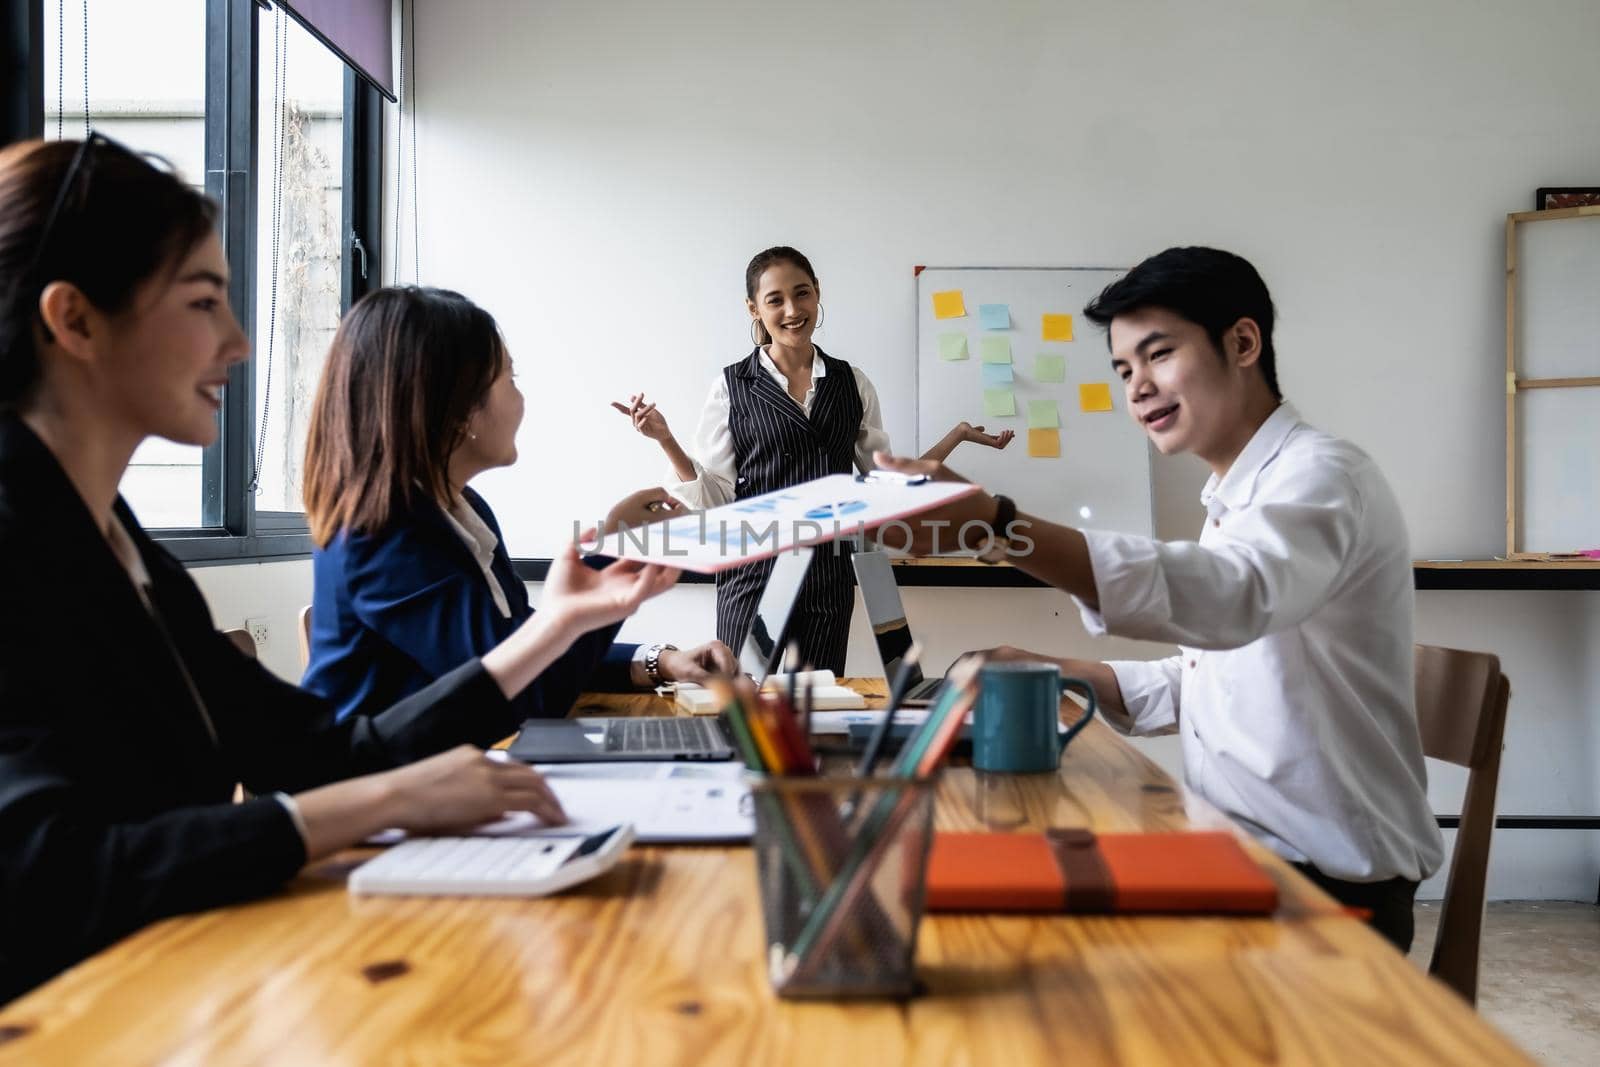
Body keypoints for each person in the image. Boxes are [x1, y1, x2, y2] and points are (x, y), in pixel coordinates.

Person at [0, 135, 678, 1004]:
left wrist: (554, 626)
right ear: (76, 320)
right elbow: (47, 873)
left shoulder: (121, 543)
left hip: (160, 985)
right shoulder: (19, 537)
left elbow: (314, 751)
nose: (240, 343)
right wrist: (382, 801)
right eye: (205, 302)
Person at [874, 246, 1443, 952]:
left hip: (1324, 886)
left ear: (1242, 342)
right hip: (1239, 850)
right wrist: (1054, 669)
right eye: (1122, 370)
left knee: (1030, 948)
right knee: (982, 889)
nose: (1138, 387)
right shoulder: (1237, 495)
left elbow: (1235, 598)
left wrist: (1000, 526)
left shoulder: (1323, 476)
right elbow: (1214, 673)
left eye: (1158, 354)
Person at [299, 286, 735, 723]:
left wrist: (660, 660)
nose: (521, 399)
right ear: (459, 409)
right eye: (510, 378)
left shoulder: (461, 511)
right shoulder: (386, 535)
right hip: (377, 786)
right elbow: (526, 691)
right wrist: (616, 554)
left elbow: (521, 646)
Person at [614, 245, 1014, 672]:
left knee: (820, 706)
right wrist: (665, 439)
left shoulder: (852, 383)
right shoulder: (731, 386)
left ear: (818, 293)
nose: (792, 309)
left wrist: (957, 436)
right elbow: (716, 496)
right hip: (751, 573)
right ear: (754, 309)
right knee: (740, 699)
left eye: (802, 293)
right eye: (775, 300)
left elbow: (887, 484)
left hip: (829, 574)